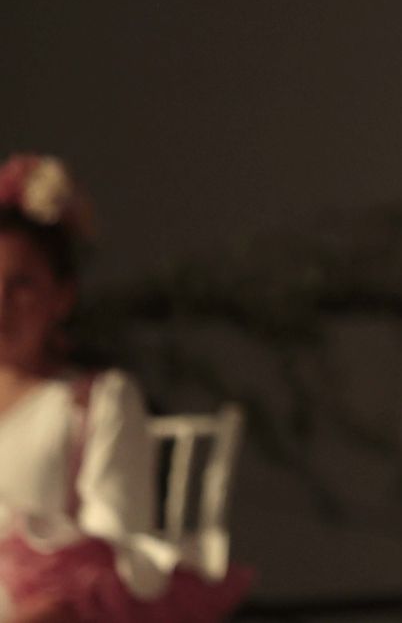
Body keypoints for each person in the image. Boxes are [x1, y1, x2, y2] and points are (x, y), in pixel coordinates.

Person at [0, 153, 252, 623]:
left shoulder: (93, 401)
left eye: (21, 285)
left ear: (62, 296)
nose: (1, 304)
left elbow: (114, 553)